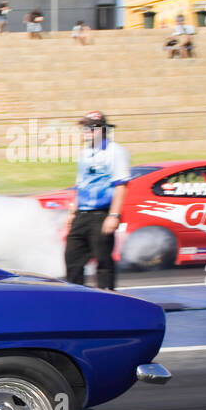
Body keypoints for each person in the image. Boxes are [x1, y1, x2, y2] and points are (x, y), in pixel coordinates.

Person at [65, 111, 131, 290]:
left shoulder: (115, 152)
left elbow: (121, 185)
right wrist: (73, 212)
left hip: (102, 214)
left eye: (91, 127)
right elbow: (81, 185)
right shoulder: (85, 153)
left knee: (103, 262)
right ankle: (76, 299)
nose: (87, 131)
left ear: (102, 129)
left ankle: (108, 301)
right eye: (85, 127)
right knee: (73, 260)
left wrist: (114, 215)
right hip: (82, 215)